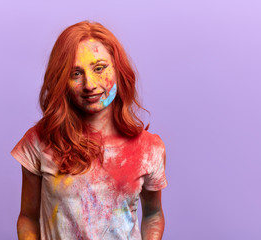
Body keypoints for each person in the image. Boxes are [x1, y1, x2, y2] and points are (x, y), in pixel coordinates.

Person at [10, 20, 168, 240]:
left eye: (99, 68)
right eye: (76, 73)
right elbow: (28, 217)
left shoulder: (149, 149)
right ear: (62, 81)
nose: (89, 84)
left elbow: (153, 214)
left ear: (119, 70)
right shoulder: (38, 141)